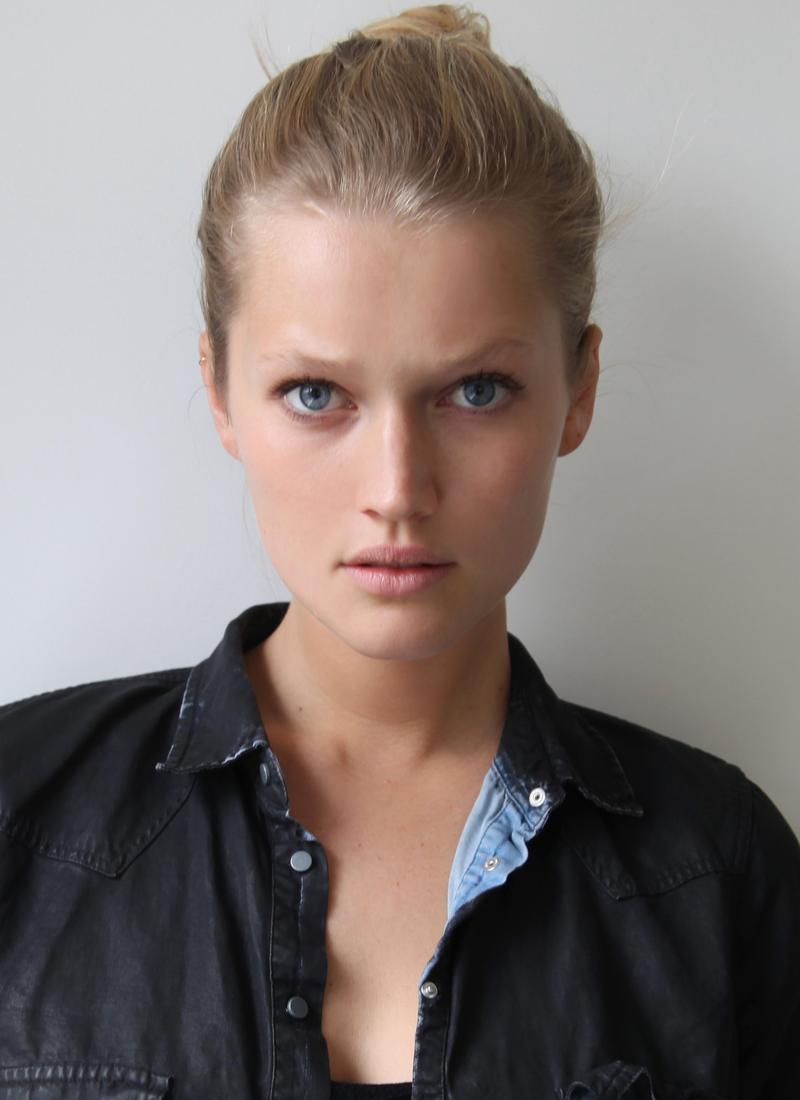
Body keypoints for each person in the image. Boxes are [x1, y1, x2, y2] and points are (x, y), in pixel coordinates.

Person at [1, 4, 798, 1099]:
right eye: (315, 394)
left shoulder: (719, 872)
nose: (396, 490)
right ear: (219, 391)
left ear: (578, 389)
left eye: (477, 390)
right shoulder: (18, 815)